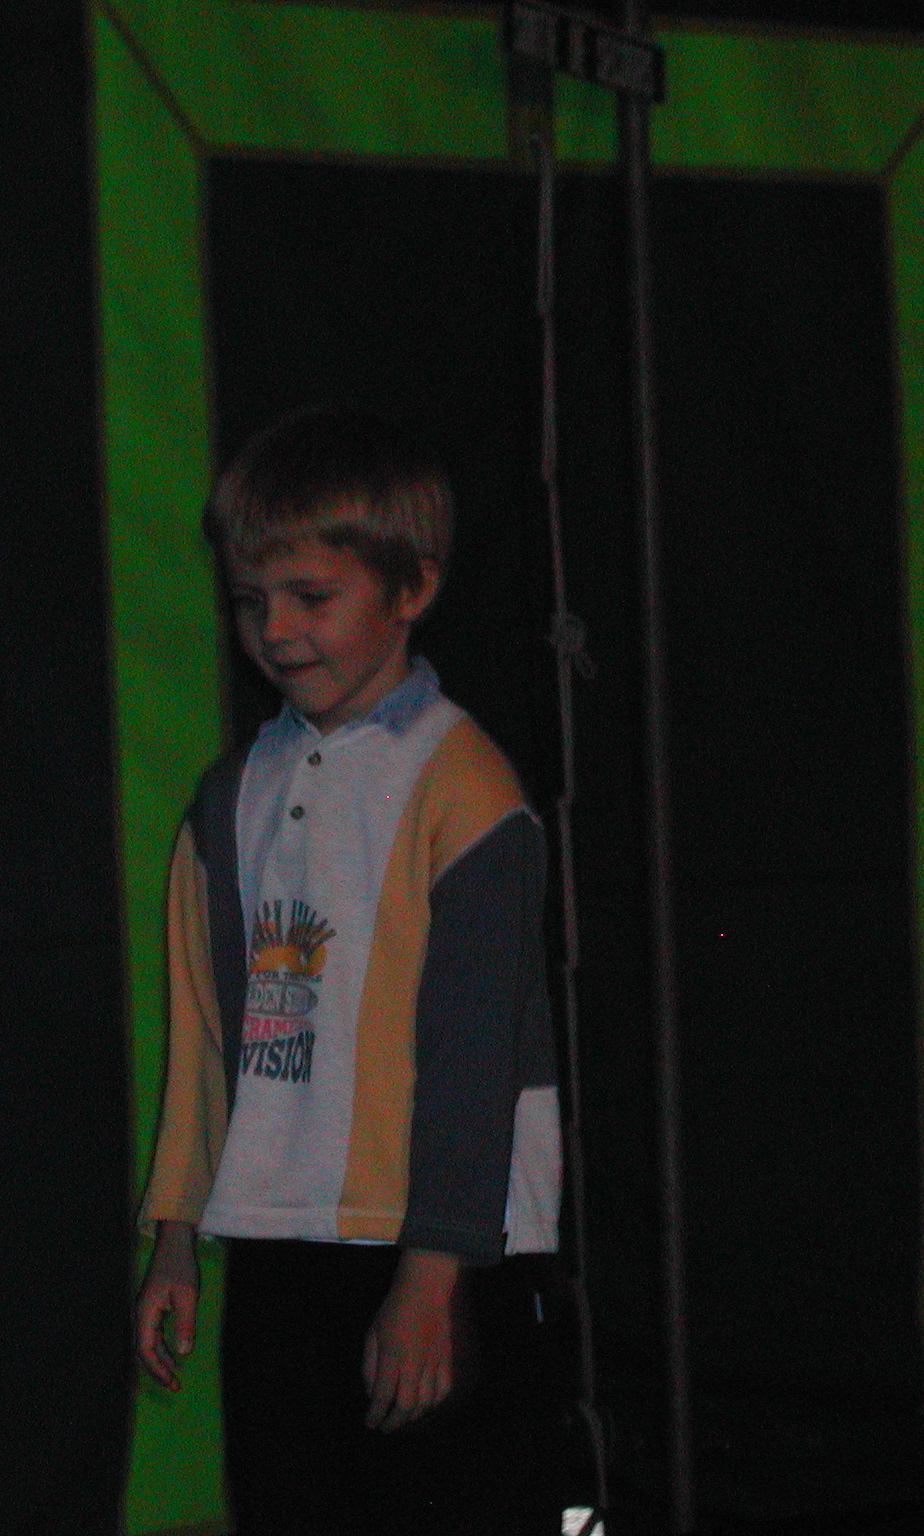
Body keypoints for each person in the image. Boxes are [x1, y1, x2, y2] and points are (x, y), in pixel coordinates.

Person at [133, 406, 564, 1534]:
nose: (275, 631)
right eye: (249, 601)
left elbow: (475, 1056)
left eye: (310, 597)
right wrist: (176, 1237)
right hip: (280, 1241)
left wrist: (429, 1279)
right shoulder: (228, 801)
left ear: (412, 586)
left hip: (440, 1250)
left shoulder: (463, 788)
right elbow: (203, 1038)